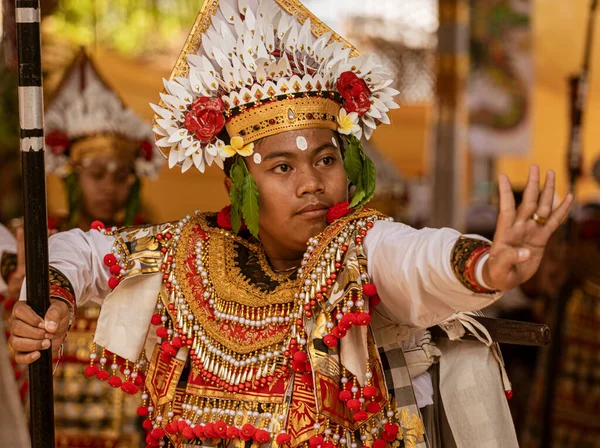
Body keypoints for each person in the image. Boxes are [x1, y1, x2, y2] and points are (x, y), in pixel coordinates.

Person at [9, 1, 571, 447]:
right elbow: (83, 250)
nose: (312, 183)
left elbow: (414, 258)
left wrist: (485, 266)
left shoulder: (356, 248)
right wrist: (55, 294)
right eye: (282, 166)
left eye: (326, 159)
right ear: (238, 184)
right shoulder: (186, 251)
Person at [4, 49, 163, 447]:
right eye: (96, 174)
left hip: (130, 421)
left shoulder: (153, 244)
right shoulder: (33, 242)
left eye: (121, 175)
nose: (109, 187)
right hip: (45, 415)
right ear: (74, 177)